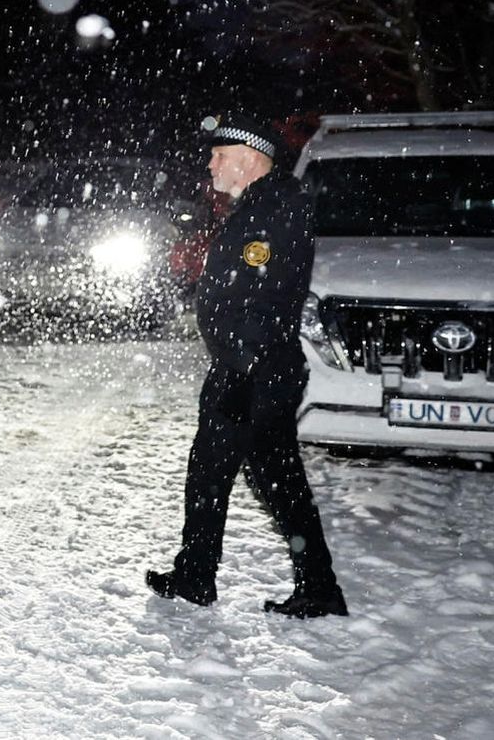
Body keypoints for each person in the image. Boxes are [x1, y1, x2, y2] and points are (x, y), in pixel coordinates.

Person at [146, 112, 347, 618]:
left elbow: (263, 294)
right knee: (212, 472)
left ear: (250, 159)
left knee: (275, 479)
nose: (210, 164)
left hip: (256, 372)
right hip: (243, 366)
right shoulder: (259, 203)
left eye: (219, 155)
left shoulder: (278, 206)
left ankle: (318, 587)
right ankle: (196, 575)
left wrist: (244, 366)